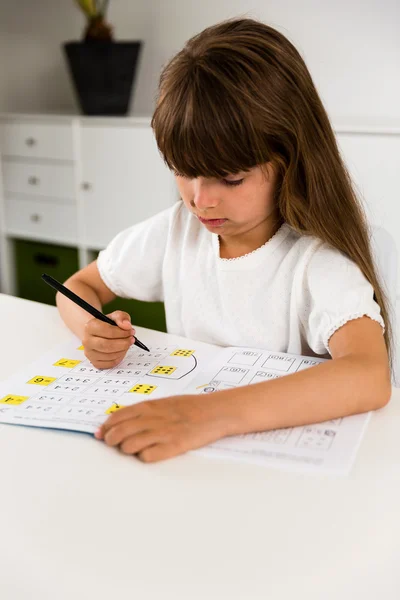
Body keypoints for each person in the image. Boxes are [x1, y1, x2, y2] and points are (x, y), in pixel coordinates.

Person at [56, 17, 393, 463]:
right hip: (190, 460)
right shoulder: (176, 231)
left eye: (230, 178)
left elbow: (369, 376)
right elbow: (78, 287)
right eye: (182, 170)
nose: (200, 200)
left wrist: (205, 416)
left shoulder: (314, 260)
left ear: (291, 159)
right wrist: (90, 329)